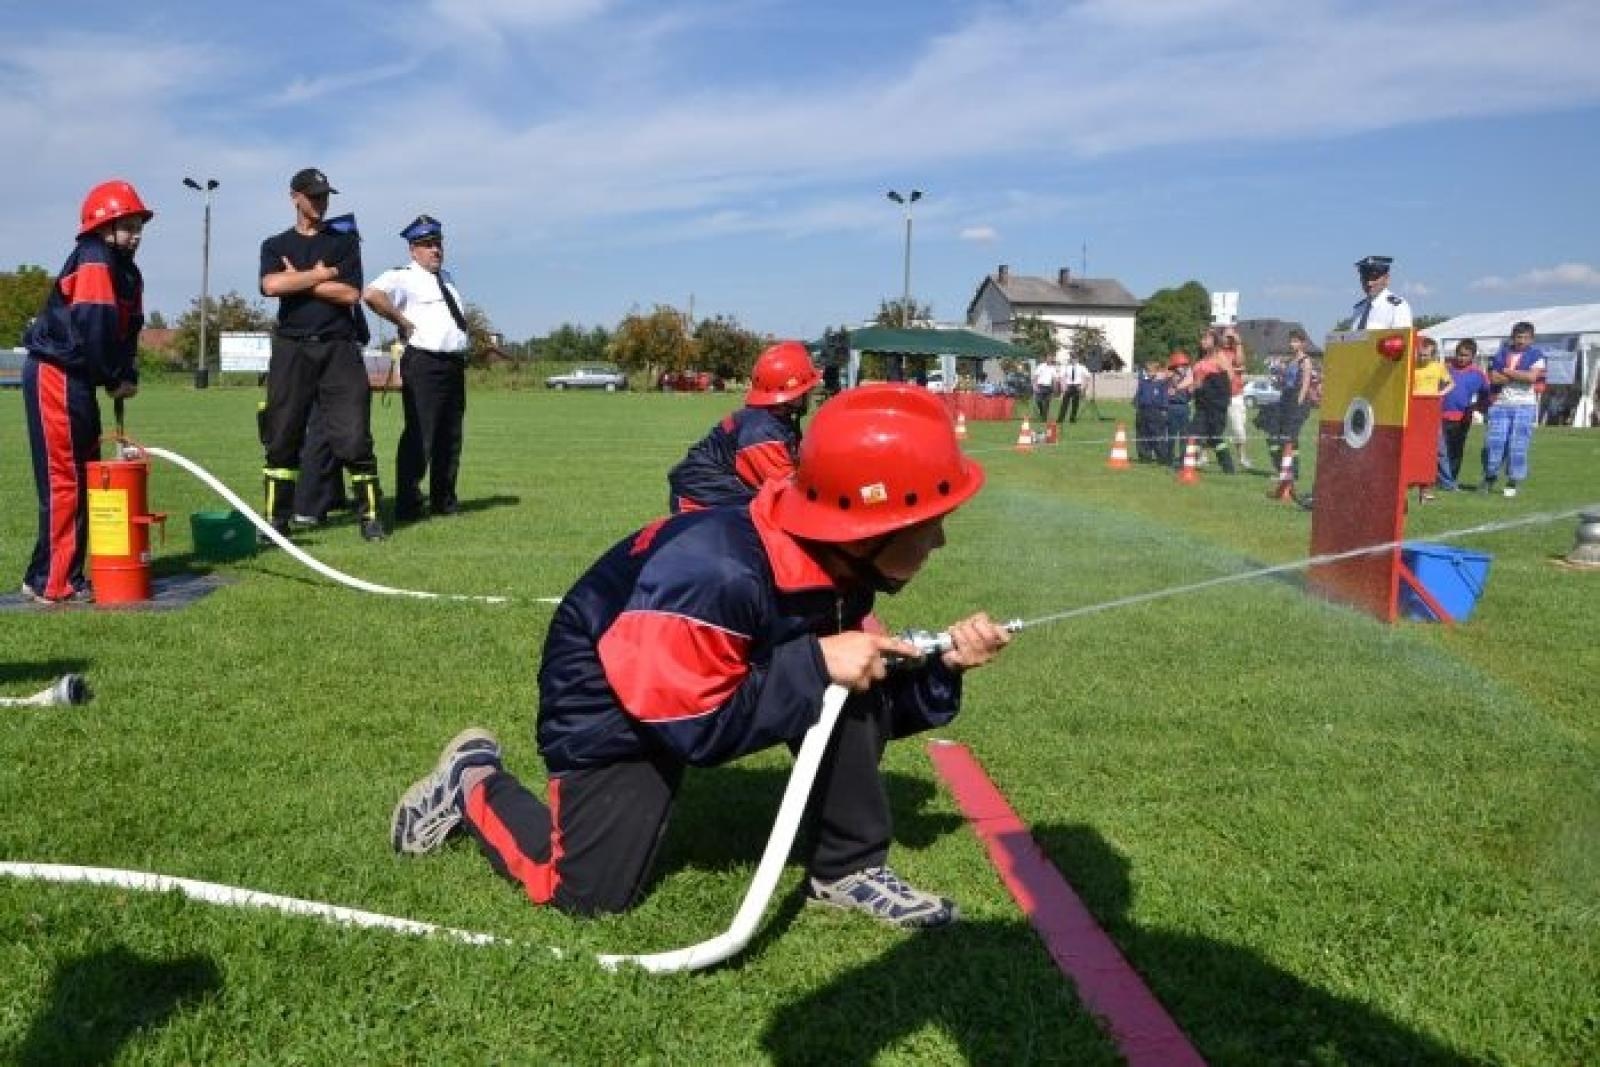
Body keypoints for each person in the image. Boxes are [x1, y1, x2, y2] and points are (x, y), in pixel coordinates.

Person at [391, 385, 1011, 926]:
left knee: (848, 681)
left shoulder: (834, 565)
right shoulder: (715, 574)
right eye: (929, 523)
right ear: (869, 528)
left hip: (696, 679)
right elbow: (699, 731)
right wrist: (818, 663)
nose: (940, 539)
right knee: (584, 895)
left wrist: (944, 665)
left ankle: (847, 871)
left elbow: (867, 710)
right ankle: (470, 781)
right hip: (608, 687)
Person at [20, 180, 151, 604]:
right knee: (67, 482)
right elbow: (95, 326)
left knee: (83, 474)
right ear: (102, 226)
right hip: (56, 374)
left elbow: (127, 331)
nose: (136, 234)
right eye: (126, 225)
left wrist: (126, 372)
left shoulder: (128, 273)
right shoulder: (94, 257)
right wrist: (113, 376)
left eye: (138, 225)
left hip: (78, 381)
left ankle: (45, 573)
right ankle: (55, 583)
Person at [258, 167, 385, 541]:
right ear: (294, 196)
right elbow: (270, 285)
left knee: (353, 437)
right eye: (313, 195)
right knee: (282, 436)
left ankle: (371, 517)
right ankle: (275, 521)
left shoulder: (343, 244)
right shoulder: (274, 244)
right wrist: (318, 276)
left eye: (325, 195)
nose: (320, 202)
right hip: (291, 348)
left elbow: (349, 294)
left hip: (338, 348)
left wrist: (297, 280)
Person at [363, 215, 473, 523]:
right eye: (426, 245)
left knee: (450, 437)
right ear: (413, 250)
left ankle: (444, 501)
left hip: (452, 363)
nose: (435, 250)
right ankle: (409, 504)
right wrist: (402, 321)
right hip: (424, 362)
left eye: (437, 243)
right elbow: (371, 294)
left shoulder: (447, 278)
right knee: (421, 435)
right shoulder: (404, 276)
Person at [666, 340, 821, 512]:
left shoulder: (772, 421)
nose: (810, 394)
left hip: (716, 496)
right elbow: (790, 494)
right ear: (792, 395)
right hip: (699, 503)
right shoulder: (762, 433)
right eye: (807, 390)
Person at [1481, 321, 1546, 497]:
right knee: (1494, 443)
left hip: (1525, 405)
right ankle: (1489, 477)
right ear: (1512, 337)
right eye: (1519, 337)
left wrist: (1507, 372)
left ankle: (1512, 481)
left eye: (1526, 337)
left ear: (1532, 339)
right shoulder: (1502, 352)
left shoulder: (1537, 354)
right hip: (1500, 404)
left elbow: (1532, 377)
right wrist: (1520, 375)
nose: (1522, 341)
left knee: (1518, 446)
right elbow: (1494, 378)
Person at [1438, 339, 1489, 492]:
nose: (1461, 358)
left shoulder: (1478, 374)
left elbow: (1486, 394)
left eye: (1465, 355)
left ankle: (1451, 479)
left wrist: (1478, 406)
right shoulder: (1444, 368)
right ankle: (1440, 479)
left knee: (1455, 450)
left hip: (1462, 418)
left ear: (1473, 356)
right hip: (1439, 415)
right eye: (1459, 354)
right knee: (1439, 450)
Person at [1409, 335, 1452, 502]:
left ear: (1432, 355)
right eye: (1420, 354)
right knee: (1414, 449)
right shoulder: (1411, 367)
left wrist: (1438, 394)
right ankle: (1410, 483)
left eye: (1426, 355)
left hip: (1431, 413)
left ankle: (1426, 489)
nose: (1422, 357)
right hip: (1413, 412)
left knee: (1434, 449)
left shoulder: (1438, 367)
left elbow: (1450, 384)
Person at [1267, 330, 1315, 478]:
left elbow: (1305, 384)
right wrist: (1277, 379)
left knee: (1289, 437)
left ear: (1303, 343)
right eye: (1290, 341)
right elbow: (1285, 382)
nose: (1291, 344)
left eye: (1295, 341)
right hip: (1285, 399)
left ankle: (1289, 473)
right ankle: (1287, 470)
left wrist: (1298, 405)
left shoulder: (1305, 361)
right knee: (1277, 435)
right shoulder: (1290, 361)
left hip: (1298, 401)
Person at [1189, 343, 1236, 473]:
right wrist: (1181, 388)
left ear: (1215, 341)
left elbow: (1230, 376)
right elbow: (1193, 379)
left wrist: (1209, 381)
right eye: (1202, 338)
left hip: (1215, 402)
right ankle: (1187, 463)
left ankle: (1228, 466)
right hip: (1201, 402)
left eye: (1206, 338)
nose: (1202, 341)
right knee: (1194, 432)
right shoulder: (1201, 359)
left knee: (1214, 436)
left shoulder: (1219, 356)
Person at [1219, 331, 1253, 469]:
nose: (1227, 339)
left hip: (1235, 395)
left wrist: (1238, 343)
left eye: (1230, 337)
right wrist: (1235, 369)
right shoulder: (1217, 351)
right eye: (1225, 336)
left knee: (1239, 429)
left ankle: (1242, 457)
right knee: (1214, 426)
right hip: (1219, 395)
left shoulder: (1236, 350)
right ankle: (1203, 455)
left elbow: (1240, 362)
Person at [1351, 255, 1412, 330]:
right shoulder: (1358, 309)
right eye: (1365, 278)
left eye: (1374, 278)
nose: (1369, 283)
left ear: (1386, 279)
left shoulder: (1397, 307)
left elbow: (1401, 339)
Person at [1163, 350, 1193, 468]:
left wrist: (1190, 388)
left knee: (1184, 435)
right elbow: (1167, 389)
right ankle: (1168, 458)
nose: (1184, 368)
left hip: (1184, 407)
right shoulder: (1170, 378)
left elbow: (1191, 392)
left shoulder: (1188, 378)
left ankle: (1182, 459)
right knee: (1171, 434)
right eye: (1182, 366)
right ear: (1175, 366)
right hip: (1173, 407)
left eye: (1185, 366)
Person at [1057, 354, 1089, 424]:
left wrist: (1083, 387)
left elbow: (1087, 377)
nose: (1073, 360)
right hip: (1069, 386)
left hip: (1077, 386)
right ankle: (1060, 419)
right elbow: (1061, 377)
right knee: (1064, 404)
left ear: (1077, 359)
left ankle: (1072, 419)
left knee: (1075, 404)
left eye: (1075, 358)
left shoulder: (1082, 367)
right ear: (1071, 359)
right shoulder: (1066, 367)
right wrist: (1063, 386)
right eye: (1072, 358)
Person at [1029, 355, 1057, 423]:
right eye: (1048, 358)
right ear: (1046, 359)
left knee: (1047, 403)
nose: (1049, 360)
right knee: (1038, 401)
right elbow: (1035, 376)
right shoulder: (1041, 366)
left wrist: (1054, 387)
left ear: (1052, 359)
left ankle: (1044, 418)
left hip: (1049, 387)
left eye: (1051, 358)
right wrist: (1034, 386)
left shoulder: (1053, 368)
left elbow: (1054, 378)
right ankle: (1042, 412)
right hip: (1040, 386)